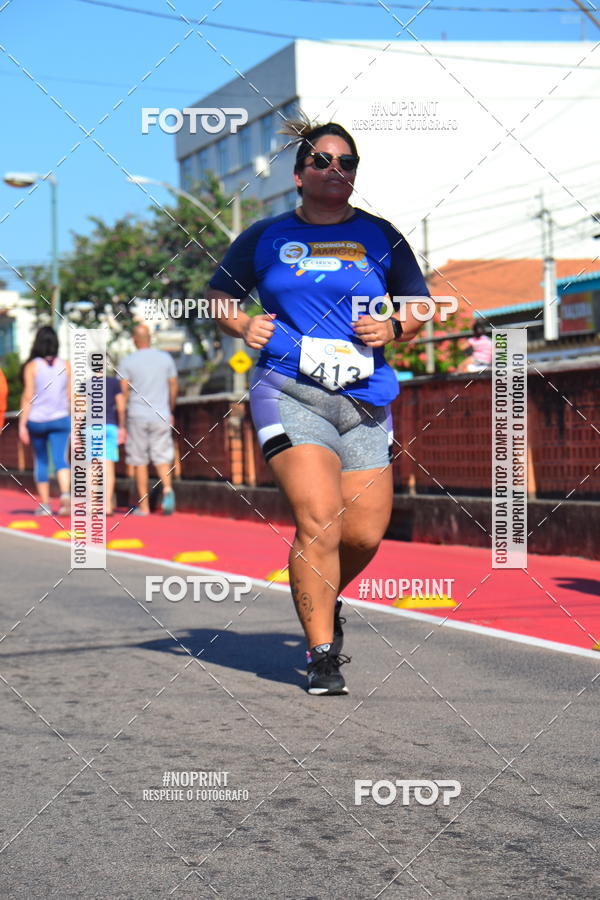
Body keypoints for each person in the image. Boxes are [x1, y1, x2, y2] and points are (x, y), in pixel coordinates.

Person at [207, 118, 428, 695]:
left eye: (348, 163)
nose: (337, 171)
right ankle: (322, 652)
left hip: (364, 401)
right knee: (319, 518)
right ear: (300, 175)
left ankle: (322, 601)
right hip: (289, 390)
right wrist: (241, 321)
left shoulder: (383, 236)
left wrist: (395, 325)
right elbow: (219, 296)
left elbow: (420, 306)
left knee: (363, 534)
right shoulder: (265, 235)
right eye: (324, 162)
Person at [120, 324, 178, 515]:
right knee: (162, 455)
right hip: (160, 413)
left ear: (134, 339)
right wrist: (170, 409)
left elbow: (123, 393)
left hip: (137, 415)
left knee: (139, 461)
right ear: (150, 338)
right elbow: (173, 385)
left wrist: (121, 419)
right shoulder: (165, 358)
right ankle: (168, 489)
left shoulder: (127, 362)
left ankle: (144, 507)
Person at [18, 326, 71, 516]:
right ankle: (65, 495)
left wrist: (23, 424)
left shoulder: (32, 366)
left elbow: (27, 396)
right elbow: (69, 395)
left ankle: (46, 505)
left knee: (40, 460)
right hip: (60, 418)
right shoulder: (65, 365)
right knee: (60, 459)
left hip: (37, 420)